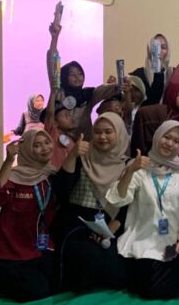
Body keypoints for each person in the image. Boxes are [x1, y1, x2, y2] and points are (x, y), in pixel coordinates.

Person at [106, 121, 179, 300]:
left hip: (174, 241)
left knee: (166, 286)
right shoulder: (140, 168)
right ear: (157, 137)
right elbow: (119, 198)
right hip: (143, 239)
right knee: (148, 285)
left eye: (176, 141)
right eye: (166, 137)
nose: (170, 143)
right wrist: (130, 171)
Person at [0, 129, 77, 302]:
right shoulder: (14, 176)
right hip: (10, 253)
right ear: (27, 149)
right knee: (38, 292)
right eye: (37, 145)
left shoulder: (51, 176)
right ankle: (3, 286)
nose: (45, 148)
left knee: (61, 284)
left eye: (47, 142)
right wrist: (8, 161)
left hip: (39, 249)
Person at [53, 113, 129, 292]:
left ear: (119, 133)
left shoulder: (127, 165)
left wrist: (109, 231)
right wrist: (71, 156)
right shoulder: (82, 158)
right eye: (97, 132)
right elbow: (61, 191)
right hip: (77, 223)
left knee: (117, 264)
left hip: (111, 224)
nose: (102, 137)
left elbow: (127, 206)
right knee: (84, 254)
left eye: (108, 132)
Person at [47, 19, 118, 139]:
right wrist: (54, 38)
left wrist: (117, 85)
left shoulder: (88, 95)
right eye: (72, 75)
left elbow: (105, 90)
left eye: (80, 74)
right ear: (64, 77)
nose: (77, 78)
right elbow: (53, 64)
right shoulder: (58, 91)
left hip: (85, 143)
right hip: (61, 143)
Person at [130, 34, 173, 106]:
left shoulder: (173, 73)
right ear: (149, 50)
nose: (159, 51)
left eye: (163, 47)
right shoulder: (139, 74)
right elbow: (152, 101)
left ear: (168, 51)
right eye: (156, 47)